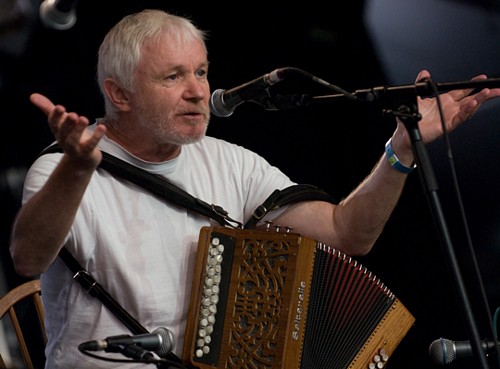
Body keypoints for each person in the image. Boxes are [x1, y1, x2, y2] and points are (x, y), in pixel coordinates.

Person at [8, 8, 500, 369]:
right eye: (173, 76)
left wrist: (402, 150)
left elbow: (348, 234)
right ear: (119, 93)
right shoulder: (58, 170)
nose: (198, 90)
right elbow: (27, 260)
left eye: (201, 71)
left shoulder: (232, 162)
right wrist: (76, 169)